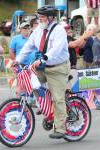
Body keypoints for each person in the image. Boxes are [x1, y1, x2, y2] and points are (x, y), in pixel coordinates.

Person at [16, 5, 70, 139]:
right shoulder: (38, 30)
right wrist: (17, 60)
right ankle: (46, 107)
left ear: (51, 17)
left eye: (43, 17)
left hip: (57, 68)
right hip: (43, 68)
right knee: (31, 80)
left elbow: (57, 48)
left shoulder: (59, 30)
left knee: (58, 98)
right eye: (39, 16)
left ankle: (61, 128)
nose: (40, 19)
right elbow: (28, 46)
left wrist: (45, 58)